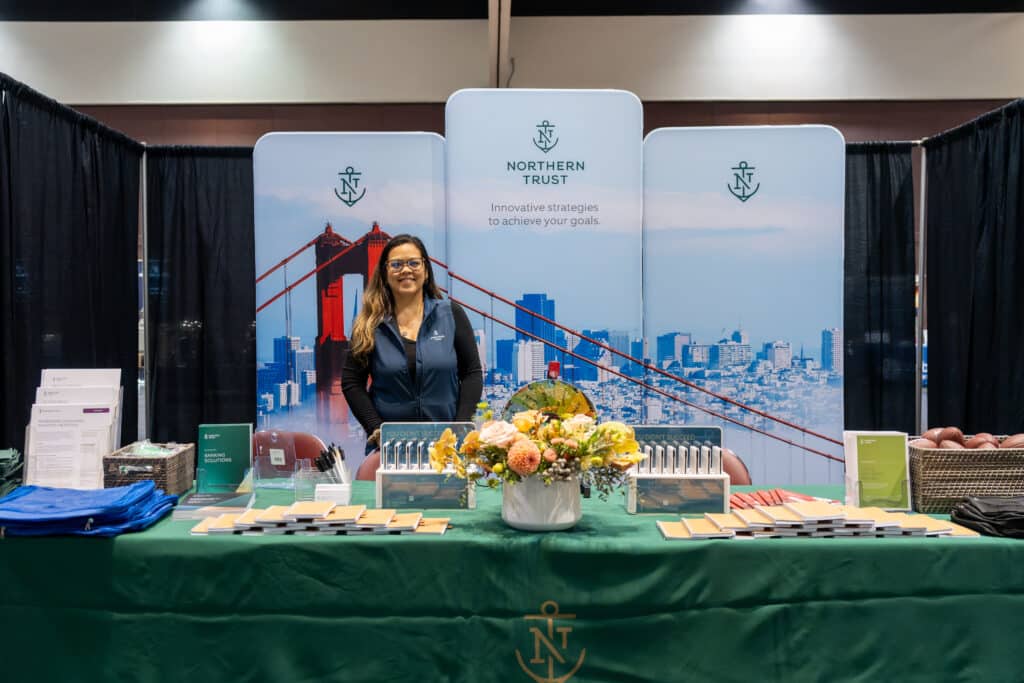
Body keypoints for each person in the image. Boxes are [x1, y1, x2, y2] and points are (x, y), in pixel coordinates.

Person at [342, 234, 483, 457]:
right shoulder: (368, 324)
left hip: (448, 447)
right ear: (385, 273)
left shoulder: (451, 314)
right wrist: (376, 428)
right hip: (390, 450)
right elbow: (351, 382)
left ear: (425, 270)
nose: (406, 270)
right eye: (396, 264)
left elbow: (471, 373)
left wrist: (462, 426)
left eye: (414, 263)